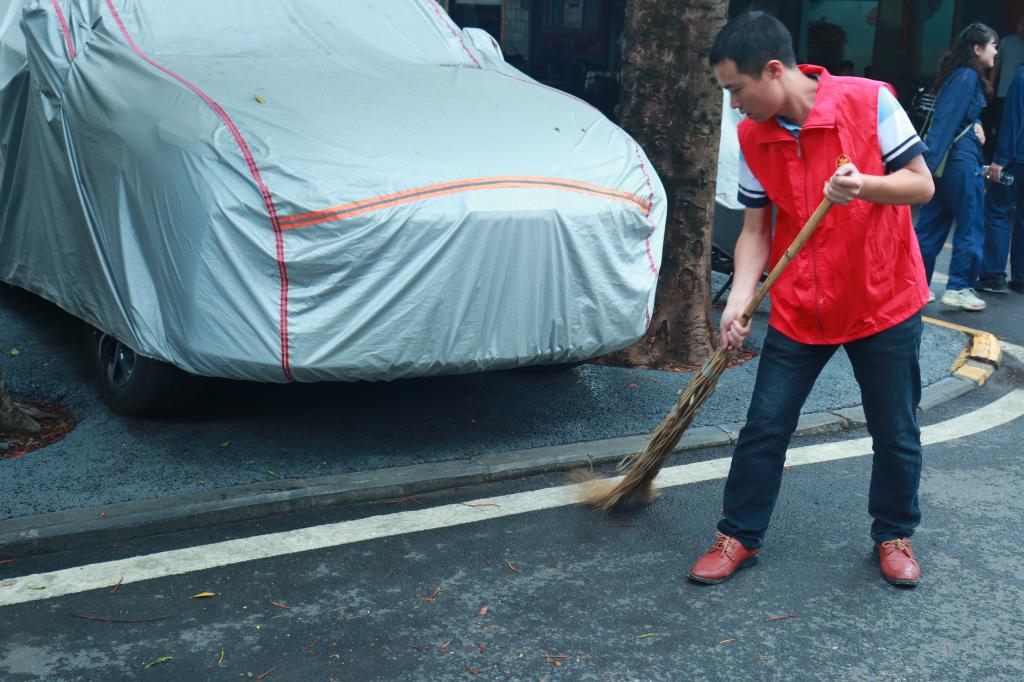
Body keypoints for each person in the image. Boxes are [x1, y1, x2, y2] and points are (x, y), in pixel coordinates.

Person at [692, 12, 934, 588]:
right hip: (802, 304)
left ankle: (894, 534)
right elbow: (756, 231)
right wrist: (738, 301)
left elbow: (922, 184)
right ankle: (738, 535)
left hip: (882, 298)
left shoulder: (870, 101)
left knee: (895, 430)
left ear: (774, 71)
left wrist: (864, 185)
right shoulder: (754, 136)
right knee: (764, 426)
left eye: (736, 90)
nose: (734, 106)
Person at [914, 24, 999, 311]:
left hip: (945, 164)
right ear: (977, 48)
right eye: (993, 46)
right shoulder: (966, 77)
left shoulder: (957, 75)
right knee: (970, 224)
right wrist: (926, 169)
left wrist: (976, 123)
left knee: (931, 226)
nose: (996, 52)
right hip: (960, 163)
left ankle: (917, 285)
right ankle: (959, 287)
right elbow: (946, 122)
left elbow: (952, 118)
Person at [977, 63, 1024, 294]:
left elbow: (1014, 121)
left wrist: (1000, 159)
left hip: (1016, 160)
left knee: (998, 212)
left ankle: (993, 276)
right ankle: (1021, 278)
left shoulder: (1022, 77)